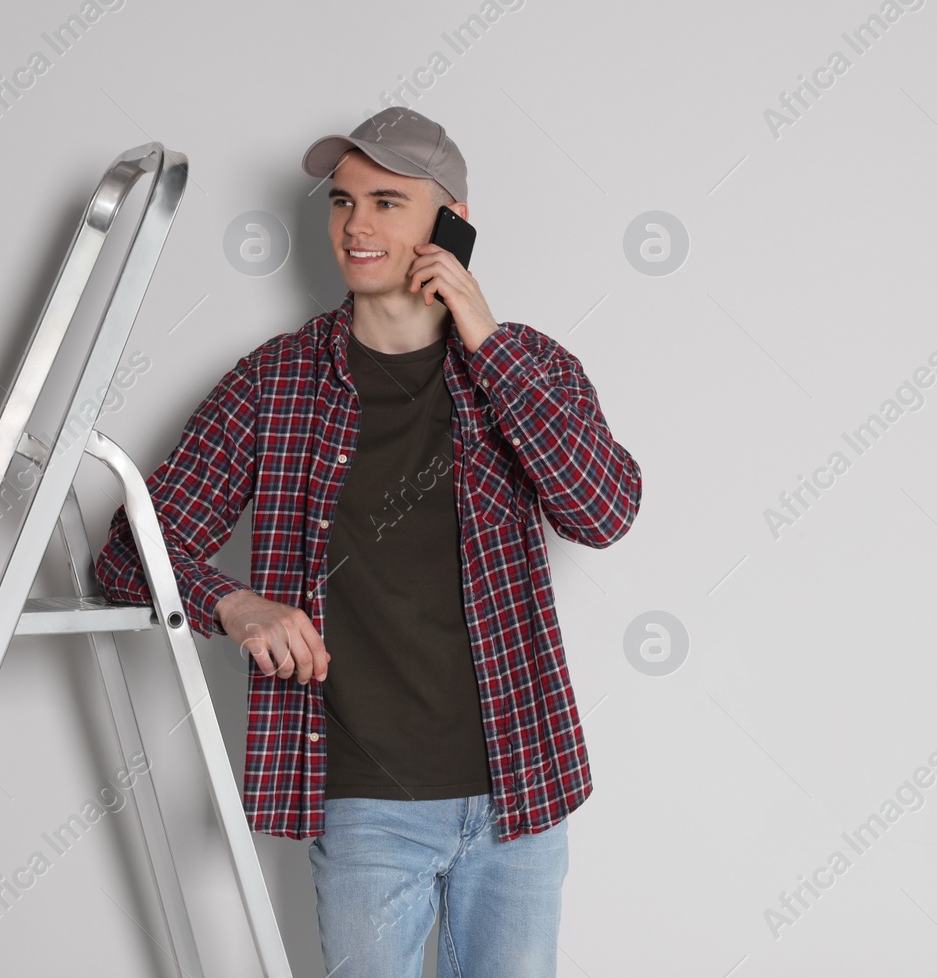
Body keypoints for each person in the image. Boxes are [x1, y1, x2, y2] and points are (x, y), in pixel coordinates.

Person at [94, 105, 642, 977]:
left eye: (389, 200)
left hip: (521, 793)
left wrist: (485, 341)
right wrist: (230, 602)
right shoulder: (275, 383)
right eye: (343, 201)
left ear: (451, 223)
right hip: (365, 806)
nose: (357, 224)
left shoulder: (528, 364)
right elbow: (128, 553)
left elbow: (602, 511)